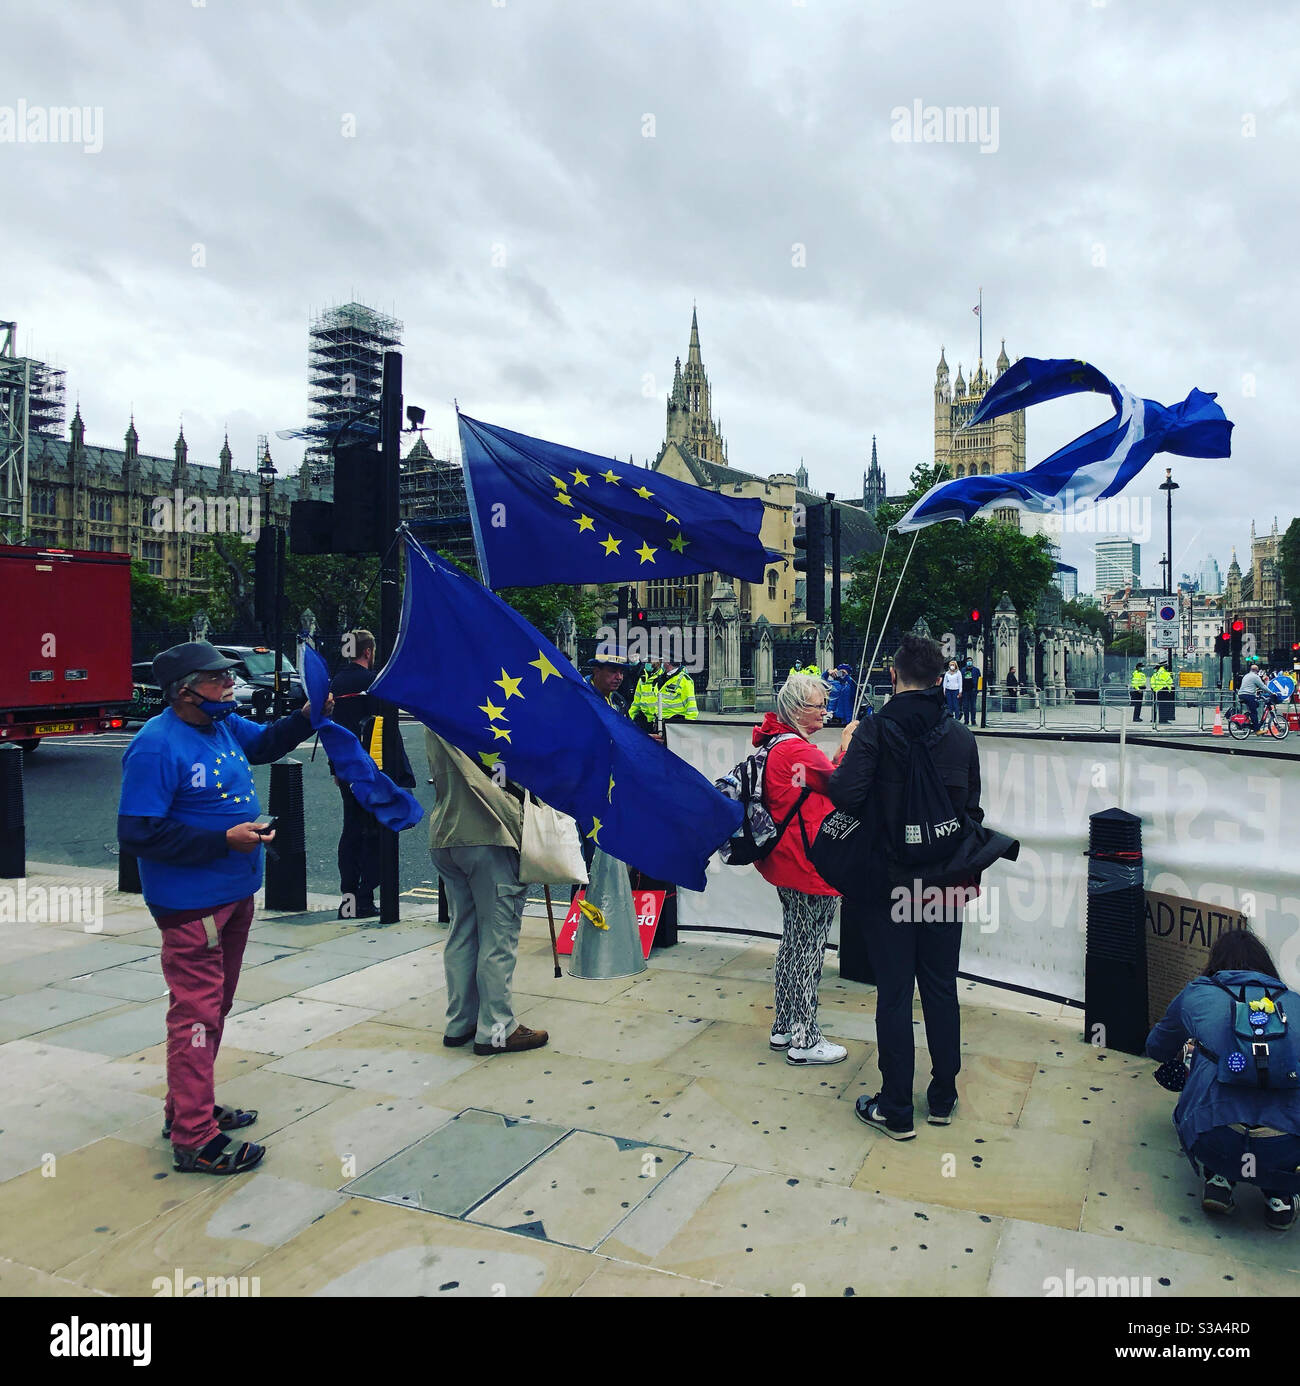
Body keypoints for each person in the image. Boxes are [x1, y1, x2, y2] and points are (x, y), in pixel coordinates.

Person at [117, 641, 331, 1175]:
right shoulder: (155, 746)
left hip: (234, 893)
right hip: (191, 905)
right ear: (184, 691)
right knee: (195, 1015)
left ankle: (186, 1107)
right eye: (216, 679)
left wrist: (307, 715)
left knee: (215, 1008)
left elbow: (266, 745)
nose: (229, 686)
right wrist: (222, 841)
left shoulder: (224, 726)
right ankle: (194, 1139)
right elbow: (137, 831)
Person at [827, 632, 983, 1139]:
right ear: (942, 678)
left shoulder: (874, 730)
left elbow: (847, 797)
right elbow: (972, 812)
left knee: (894, 994)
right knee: (941, 988)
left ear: (893, 676)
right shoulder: (961, 736)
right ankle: (942, 1095)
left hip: (888, 881)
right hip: (943, 882)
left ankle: (896, 1108)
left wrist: (845, 754)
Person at [1146, 929, 1300, 1230]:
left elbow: (1156, 1047)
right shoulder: (1294, 1003)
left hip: (1215, 1137)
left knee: (1206, 1061)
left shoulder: (1197, 993)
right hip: (1287, 1147)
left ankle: (1219, 1175)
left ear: (1215, 962)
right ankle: (1280, 1195)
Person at [425, 728, 548, 1057]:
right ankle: (497, 1028)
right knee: (498, 936)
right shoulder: (482, 700)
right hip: (489, 831)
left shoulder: (431, 700)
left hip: (446, 830)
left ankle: (460, 1022)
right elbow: (513, 769)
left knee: (462, 930)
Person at [752, 673, 855, 1065]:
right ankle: (806, 1038)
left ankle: (784, 1025)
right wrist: (847, 746)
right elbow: (841, 785)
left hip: (786, 861)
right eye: (817, 706)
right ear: (797, 710)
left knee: (793, 943)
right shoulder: (795, 748)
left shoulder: (778, 743)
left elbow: (817, 779)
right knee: (808, 949)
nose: (824, 711)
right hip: (809, 862)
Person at [329, 629, 416, 920]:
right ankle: (366, 897)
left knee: (351, 829)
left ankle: (349, 900)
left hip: (346, 769)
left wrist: (335, 769)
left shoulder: (336, 683)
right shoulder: (376, 682)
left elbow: (331, 730)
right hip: (376, 768)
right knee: (378, 832)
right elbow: (388, 727)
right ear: (368, 652)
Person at [656, 657, 699, 727]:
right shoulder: (662, 677)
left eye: (663, 661)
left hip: (674, 724)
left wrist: (688, 726)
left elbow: (691, 706)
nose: (662, 664)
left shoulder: (684, 680)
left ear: (667, 663)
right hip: (660, 721)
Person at [630, 657, 665, 732]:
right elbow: (636, 702)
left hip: (658, 721)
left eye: (650, 661)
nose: (647, 664)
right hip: (644, 721)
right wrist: (629, 718)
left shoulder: (663, 679)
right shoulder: (642, 678)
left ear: (658, 662)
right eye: (646, 662)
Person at [1237, 663, 1273, 734]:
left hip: (1241, 694)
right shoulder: (1255, 677)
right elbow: (1262, 686)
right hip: (1248, 695)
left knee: (1256, 704)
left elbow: (1249, 686)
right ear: (1257, 671)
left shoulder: (1246, 676)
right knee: (1254, 712)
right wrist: (1271, 693)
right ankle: (1257, 730)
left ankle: (1249, 719)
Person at [960, 655, 980, 725]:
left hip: (973, 690)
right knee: (965, 707)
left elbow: (979, 679)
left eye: (970, 661)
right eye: (968, 661)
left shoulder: (976, 670)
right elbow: (960, 680)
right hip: (965, 691)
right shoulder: (963, 670)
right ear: (966, 662)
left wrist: (978, 689)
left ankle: (973, 720)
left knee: (973, 707)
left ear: (972, 662)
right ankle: (966, 721)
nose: (969, 662)